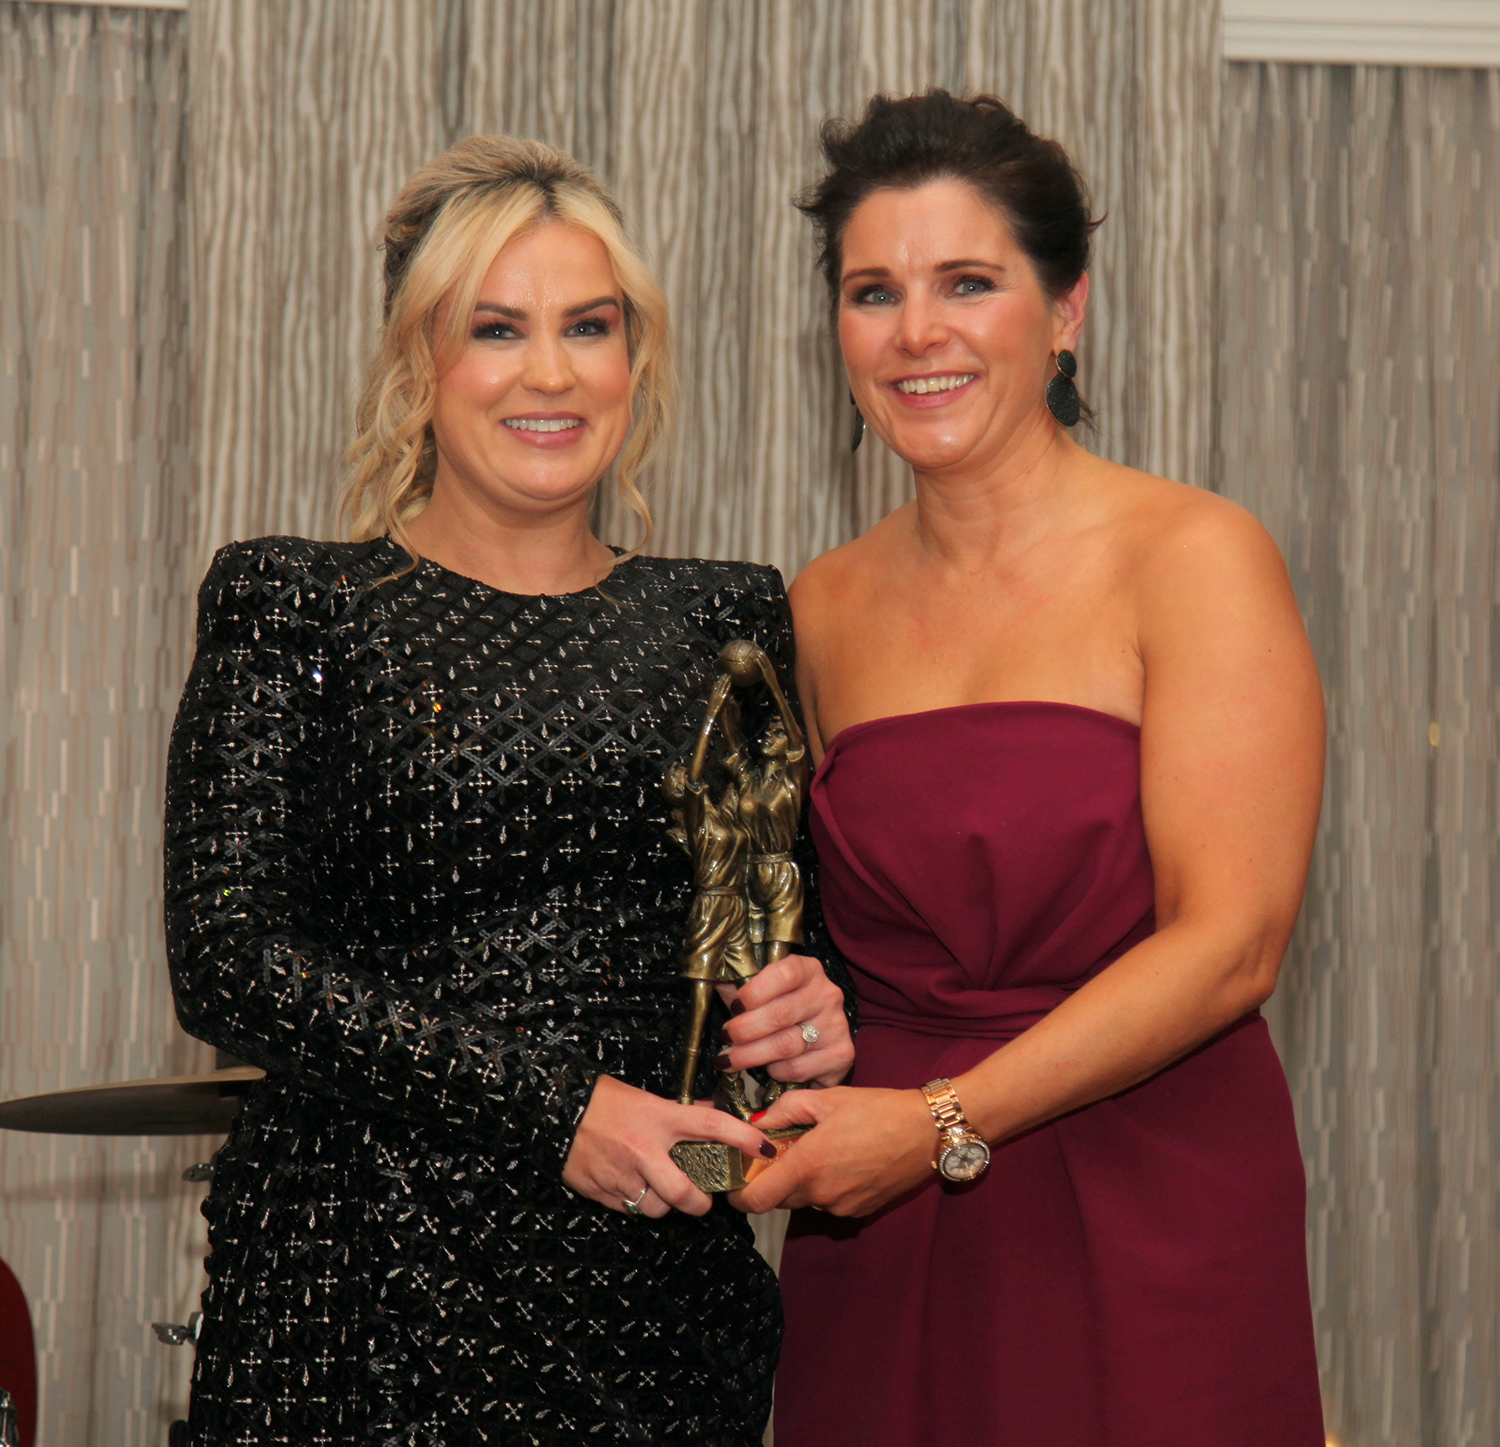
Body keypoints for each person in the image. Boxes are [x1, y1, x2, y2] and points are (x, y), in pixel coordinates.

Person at [163, 135, 853, 1447]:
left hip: (657, 1317)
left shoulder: (728, 617)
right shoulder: (293, 602)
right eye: (497, 328)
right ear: (418, 360)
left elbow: (774, 941)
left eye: (588, 326)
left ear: (635, 358)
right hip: (360, 1302)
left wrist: (820, 1015)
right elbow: (230, 962)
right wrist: (558, 1110)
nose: (551, 371)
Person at [738, 91, 1327, 1446]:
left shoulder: (1195, 559)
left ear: (1066, 310)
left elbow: (1233, 945)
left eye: (968, 282)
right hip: (882, 1217)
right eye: (874, 292)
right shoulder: (818, 607)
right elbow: (819, 935)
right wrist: (809, 1014)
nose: (917, 332)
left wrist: (938, 1121)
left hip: (1151, 1189)